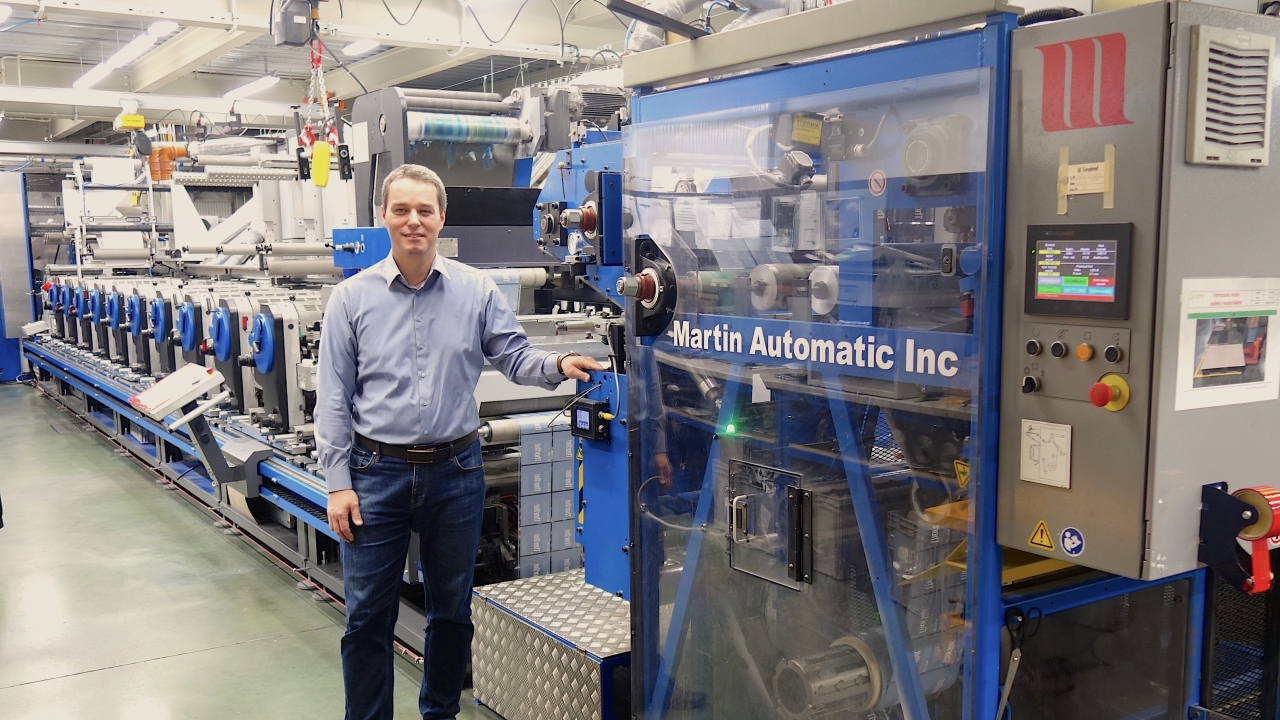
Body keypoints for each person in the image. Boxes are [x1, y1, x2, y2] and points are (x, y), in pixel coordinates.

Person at [315, 163, 602, 720]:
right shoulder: (350, 300)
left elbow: (514, 356)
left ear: (441, 218)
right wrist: (337, 484)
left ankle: (440, 713)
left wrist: (559, 363)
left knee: (450, 613)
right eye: (402, 210)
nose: (414, 221)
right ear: (384, 218)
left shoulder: (475, 290)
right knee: (366, 618)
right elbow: (332, 398)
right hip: (376, 472)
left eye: (425, 210)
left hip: (457, 472)